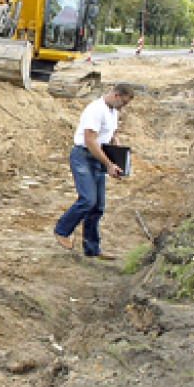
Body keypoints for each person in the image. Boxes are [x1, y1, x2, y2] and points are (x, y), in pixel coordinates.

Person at [53, 84, 135, 259]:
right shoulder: (95, 110)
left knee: (98, 207)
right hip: (83, 156)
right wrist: (108, 164)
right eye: (124, 102)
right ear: (116, 95)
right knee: (88, 199)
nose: (124, 107)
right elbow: (90, 142)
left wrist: (118, 157)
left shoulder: (113, 110)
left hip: (98, 157)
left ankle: (92, 248)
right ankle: (62, 230)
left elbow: (114, 134)